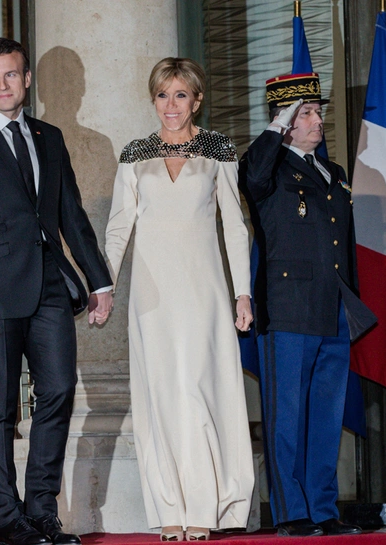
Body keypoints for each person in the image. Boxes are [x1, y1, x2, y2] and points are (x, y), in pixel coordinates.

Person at [0, 38, 113, 545]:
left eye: (10, 74)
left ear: (27, 79)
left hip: (49, 286)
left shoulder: (48, 137)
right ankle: (9, 521)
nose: (2, 84)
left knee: (58, 391)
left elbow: (71, 215)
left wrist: (99, 281)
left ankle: (41, 513)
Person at [104, 58, 255, 542]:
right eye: (162, 95)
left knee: (199, 393)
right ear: (153, 99)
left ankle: (204, 507)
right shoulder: (135, 153)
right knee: (161, 396)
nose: (171, 105)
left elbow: (235, 227)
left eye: (180, 95)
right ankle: (169, 507)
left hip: (204, 292)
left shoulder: (218, 149)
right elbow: (118, 228)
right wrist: (104, 289)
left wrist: (243, 292)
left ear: (197, 99)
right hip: (151, 298)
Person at [239, 73, 377, 537]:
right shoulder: (268, 168)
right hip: (288, 307)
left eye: (318, 112)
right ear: (285, 121)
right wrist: (277, 126)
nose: (318, 121)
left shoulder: (333, 172)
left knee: (326, 416)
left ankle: (322, 509)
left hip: (333, 306)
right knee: (286, 415)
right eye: (307, 113)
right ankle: (291, 512)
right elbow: (251, 175)